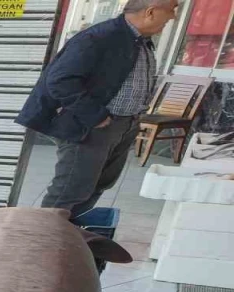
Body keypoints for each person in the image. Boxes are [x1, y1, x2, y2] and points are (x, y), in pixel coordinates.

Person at [17, 0, 179, 222]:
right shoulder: (100, 37)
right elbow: (61, 80)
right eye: (172, 9)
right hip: (93, 126)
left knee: (98, 184)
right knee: (70, 191)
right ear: (150, 12)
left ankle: (67, 237)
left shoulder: (140, 41)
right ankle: (39, 244)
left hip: (125, 124)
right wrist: (95, 115)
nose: (173, 17)